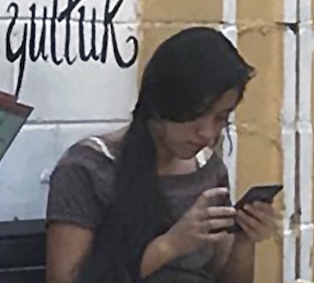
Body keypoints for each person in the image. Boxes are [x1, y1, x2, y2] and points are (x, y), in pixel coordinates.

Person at [45, 27, 283, 283]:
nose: (207, 132)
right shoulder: (88, 168)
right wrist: (169, 246)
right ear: (163, 104)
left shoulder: (207, 170)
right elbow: (63, 279)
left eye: (220, 118)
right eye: (196, 114)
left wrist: (243, 241)